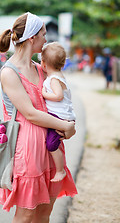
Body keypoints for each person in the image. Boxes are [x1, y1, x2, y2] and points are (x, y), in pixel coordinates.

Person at [0, 12, 77, 222]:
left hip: (50, 145)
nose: (46, 40)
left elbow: (61, 100)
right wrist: (66, 126)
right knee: (26, 214)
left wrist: (69, 123)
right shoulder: (9, 72)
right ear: (32, 38)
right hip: (27, 149)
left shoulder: (41, 69)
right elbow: (30, 113)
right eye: (43, 35)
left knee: (45, 212)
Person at [40, 42, 77, 183]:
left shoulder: (53, 79)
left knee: (51, 144)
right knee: (53, 142)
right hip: (64, 115)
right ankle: (60, 169)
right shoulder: (59, 75)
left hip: (60, 116)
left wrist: (43, 94)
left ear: (43, 64)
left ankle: (60, 170)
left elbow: (58, 96)